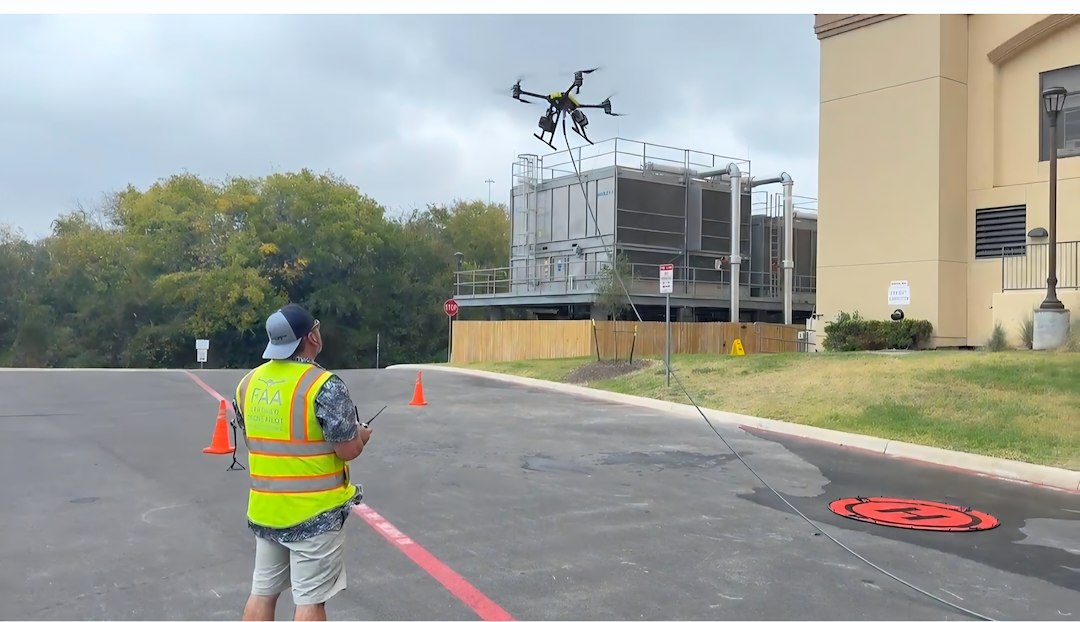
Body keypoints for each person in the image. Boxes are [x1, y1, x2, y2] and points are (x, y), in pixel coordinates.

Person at [231, 303, 373, 621]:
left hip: (266, 510)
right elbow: (347, 450)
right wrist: (362, 435)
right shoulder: (323, 385)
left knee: (262, 592)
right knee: (310, 600)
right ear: (311, 336)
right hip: (314, 513)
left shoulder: (247, 383)